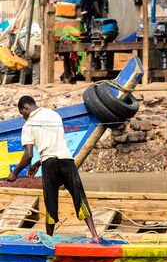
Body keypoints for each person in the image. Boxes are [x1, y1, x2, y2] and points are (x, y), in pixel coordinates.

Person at [7, 96, 99, 239]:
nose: (23, 117)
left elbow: (28, 154)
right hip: (66, 159)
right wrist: (37, 165)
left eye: (22, 114)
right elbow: (54, 145)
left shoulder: (28, 125)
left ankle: (49, 239)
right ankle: (95, 235)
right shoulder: (54, 115)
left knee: (51, 200)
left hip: (49, 163)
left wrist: (14, 173)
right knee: (79, 195)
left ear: (25, 107)